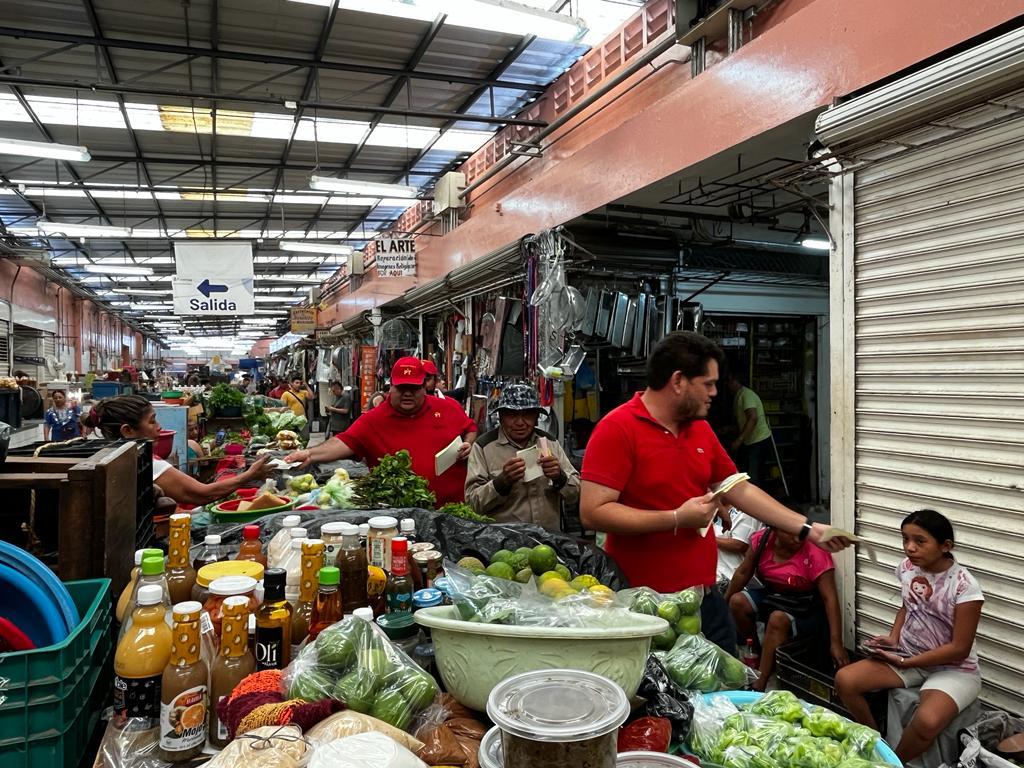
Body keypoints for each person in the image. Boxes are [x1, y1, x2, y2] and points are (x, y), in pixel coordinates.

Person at [580, 331, 850, 653]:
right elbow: (593, 511)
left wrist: (808, 528)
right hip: (646, 603)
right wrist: (678, 517)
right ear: (678, 381)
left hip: (703, 597)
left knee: (721, 688)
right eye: (707, 383)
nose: (715, 393)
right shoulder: (617, 428)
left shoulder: (700, 429)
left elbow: (738, 488)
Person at [836, 510, 983, 763]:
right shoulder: (907, 568)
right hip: (908, 655)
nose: (910, 548)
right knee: (845, 680)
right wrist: (894, 639)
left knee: (927, 721)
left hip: (953, 669)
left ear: (946, 546)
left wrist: (906, 663)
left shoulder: (964, 585)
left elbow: (960, 648)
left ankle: (892, 761)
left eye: (920, 541)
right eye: (905, 539)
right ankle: (875, 741)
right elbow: (909, 605)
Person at [285, 357, 478, 505]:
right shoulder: (374, 419)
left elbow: (470, 428)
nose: (408, 393)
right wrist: (310, 454)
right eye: (402, 388)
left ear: (424, 386)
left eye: (414, 387)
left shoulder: (448, 408)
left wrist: (469, 443)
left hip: (453, 510)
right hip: (398, 513)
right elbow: (343, 442)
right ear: (390, 387)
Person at [89, 395, 275, 506]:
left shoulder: (107, 452)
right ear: (128, 431)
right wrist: (249, 475)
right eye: (152, 421)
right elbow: (202, 493)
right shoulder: (143, 462)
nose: (159, 427)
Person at [725, 525, 847, 690]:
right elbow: (743, 573)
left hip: (805, 605)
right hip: (774, 596)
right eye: (790, 534)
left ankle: (760, 683)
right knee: (737, 602)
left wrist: (836, 642)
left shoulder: (815, 551)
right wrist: (724, 605)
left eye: (801, 535)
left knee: (777, 619)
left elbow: (829, 598)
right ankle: (758, 654)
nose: (797, 540)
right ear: (775, 530)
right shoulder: (762, 540)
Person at [465, 384, 580, 532]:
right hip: (504, 542)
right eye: (512, 415)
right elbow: (472, 504)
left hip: (549, 541)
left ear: (537, 417)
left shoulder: (550, 443)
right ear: (500, 417)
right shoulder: (484, 447)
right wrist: (501, 482)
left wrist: (559, 477)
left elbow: (576, 494)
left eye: (527, 415)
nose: (520, 422)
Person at [725, 371, 772, 483]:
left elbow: (753, 418)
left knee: (753, 476)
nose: (727, 385)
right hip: (750, 441)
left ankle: (756, 499)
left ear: (734, 381)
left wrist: (739, 440)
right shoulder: (738, 396)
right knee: (749, 473)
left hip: (758, 440)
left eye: (729, 382)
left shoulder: (746, 395)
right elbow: (743, 421)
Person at [714, 503, 764, 590]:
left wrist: (709, 540)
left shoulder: (745, 511)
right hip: (713, 576)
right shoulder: (709, 512)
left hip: (733, 579)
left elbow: (740, 545)